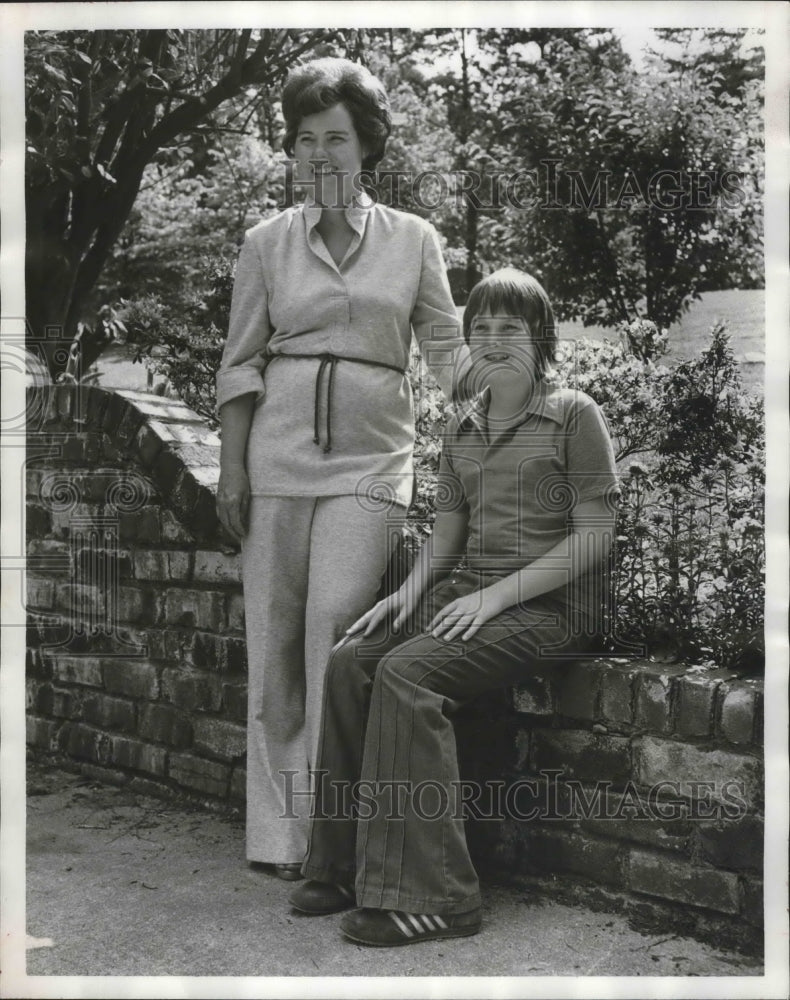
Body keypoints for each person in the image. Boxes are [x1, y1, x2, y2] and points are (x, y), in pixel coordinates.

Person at [288, 268, 620, 944]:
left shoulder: (574, 414)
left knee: (409, 676)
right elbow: (446, 538)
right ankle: (346, 863)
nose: (495, 342)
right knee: (352, 661)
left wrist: (497, 595)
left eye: (511, 329)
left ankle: (439, 897)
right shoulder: (463, 428)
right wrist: (406, 597)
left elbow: (596, 536)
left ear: (541, 339)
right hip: (474, 597)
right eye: (482, 330)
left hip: (552, 609)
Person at [215, 57, 464, 880]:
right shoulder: (264, 245)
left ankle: (331, 843)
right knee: (276, 646)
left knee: (336, 636)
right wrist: (232, 471)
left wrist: (515, 395)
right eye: (305, 141)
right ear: (291, 151)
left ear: (367, 149)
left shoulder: (413, 241)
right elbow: (240, 365)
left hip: (371, 465)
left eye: (338, 139)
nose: (321, 156)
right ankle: (279, 839)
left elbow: (448, 354)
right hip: (276, 460)